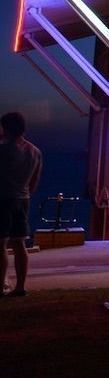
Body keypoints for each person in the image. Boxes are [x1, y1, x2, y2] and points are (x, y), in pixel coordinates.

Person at [0, 112, 42, 297]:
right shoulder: (35, 151)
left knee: (1, 244)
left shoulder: (4, 149)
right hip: (23, 199)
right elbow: (34, 181)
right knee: (19, 244)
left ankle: (0, 286)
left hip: (3, 199)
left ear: (6, 128)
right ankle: (20, 287)